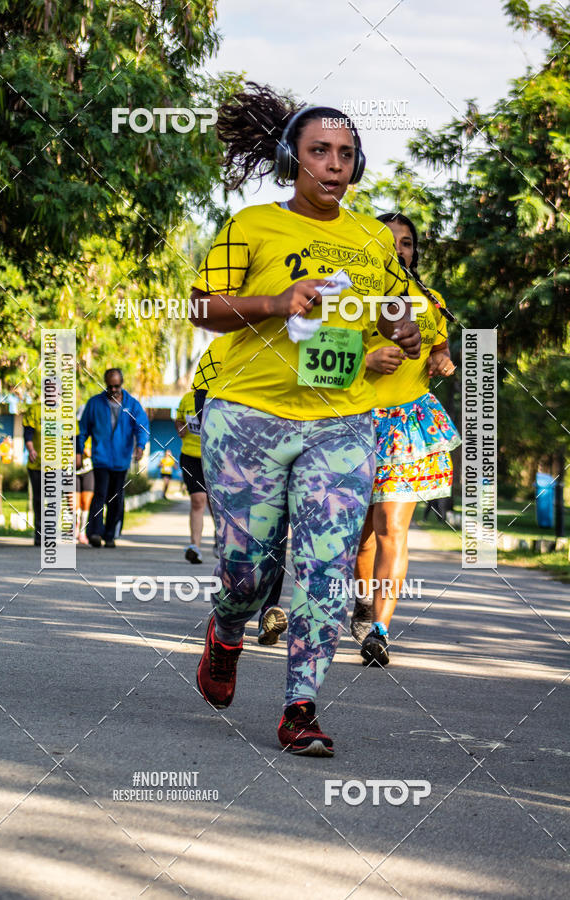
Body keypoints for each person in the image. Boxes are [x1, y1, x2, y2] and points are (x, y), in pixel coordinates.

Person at [188, 83, 421, 756]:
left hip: (340, 419)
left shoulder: (373, 238)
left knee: (327, 566)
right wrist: (276, 301)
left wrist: (404, 330)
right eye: (320, 151)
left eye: (346, 153)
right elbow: (203, 307)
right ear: (295, 158)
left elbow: (397, 307)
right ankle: (226, 633)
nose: (334, 164)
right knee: (249, 572)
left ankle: (300, 707)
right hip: (248, 416)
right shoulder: (251, 226)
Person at [352, 212, 461, 666]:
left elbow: (440, 348)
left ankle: (379, 630)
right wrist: (366, 361)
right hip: (351, 421)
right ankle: (361, 603)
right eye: (389, 240)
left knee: (391, 528)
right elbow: (317, 355)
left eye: (407, 242)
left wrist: (443, 360)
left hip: (405, 425)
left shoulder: (428, 301)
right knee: (359, 536)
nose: (400, 249)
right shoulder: (349, 298)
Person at [192, 333, 287, 642]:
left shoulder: (289, 342)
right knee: (237, 537)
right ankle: (230, 609)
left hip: (278, 452)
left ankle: (269, 612)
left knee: (275, 533)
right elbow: (200, 399)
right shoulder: (220, 347)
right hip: (233, 458)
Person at [77, 368, 149, 548]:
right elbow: (83, 429)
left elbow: (142, 427)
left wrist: (140, 446)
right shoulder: (94, 404)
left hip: (121, 459)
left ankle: (110, 535)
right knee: (100, 494)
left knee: (116, 497)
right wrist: (78, 451)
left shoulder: (132, 405)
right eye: (110, 386)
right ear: (105, 384)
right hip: (101, 457)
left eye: (117, 386)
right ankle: (94, 533)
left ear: (121, 384)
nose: (114, 390)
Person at [176, 388, 208, 563]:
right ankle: (195, 547)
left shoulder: (217, 398)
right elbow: (179, 420)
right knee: (198, 500)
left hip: (213, 457)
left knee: (215, 504)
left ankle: (221, 543)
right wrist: (180, 428)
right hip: (190, 457)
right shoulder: (187, 399)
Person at [23, 401, 43, 546]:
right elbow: (28, 433)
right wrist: (31, 449)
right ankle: (39, 534)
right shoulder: (35, 410)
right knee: (38, 500)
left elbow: (72, 437)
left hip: (58, 465)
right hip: (37, 464)